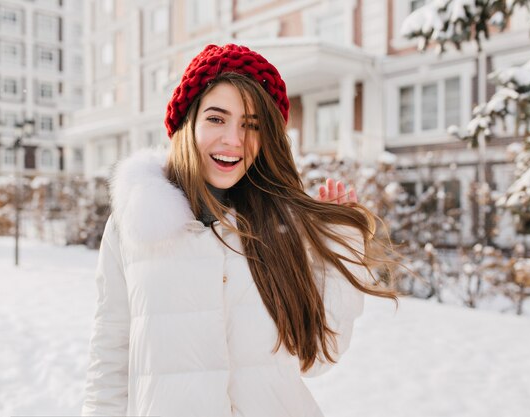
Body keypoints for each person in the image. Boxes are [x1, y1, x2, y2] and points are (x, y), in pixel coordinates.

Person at [82, 43, 396, 417]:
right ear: (188, 123)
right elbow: (110, 358)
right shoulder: (132, 226)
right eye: (217, 118)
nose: (233, 139)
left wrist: (338, 248)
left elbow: (318, 356)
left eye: (251, 125)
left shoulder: (280, 227)